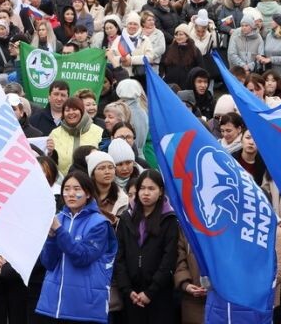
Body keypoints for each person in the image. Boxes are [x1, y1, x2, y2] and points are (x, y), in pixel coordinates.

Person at [36, 169, 118, 324]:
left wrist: (59, 231)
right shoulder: (58, 219)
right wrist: (51, 238)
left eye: (77, 189)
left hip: (84, 306)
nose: (71, 194)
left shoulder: (99, 223)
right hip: (55, 304)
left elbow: (82, 257)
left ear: (88, 194)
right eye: (66, 189)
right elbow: (48, 263)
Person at [113, 170, 179, 323]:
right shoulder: (126, 218)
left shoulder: (169, 219)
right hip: (131, 294)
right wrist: (127, 289)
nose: (146, 193)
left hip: (159, 294)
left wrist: (150, 292)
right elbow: (119, 256)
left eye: (151, 188)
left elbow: (168, 258)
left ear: (161, 191)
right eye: (142, 188)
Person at [48, 96, 104, 175]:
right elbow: (50, 161)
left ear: (82, 111)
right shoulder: (55, 133)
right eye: (67, 110)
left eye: (75, 109)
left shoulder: (99, 132)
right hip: (63, 183)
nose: (71, 113)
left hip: (91, 183)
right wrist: (49, 153)